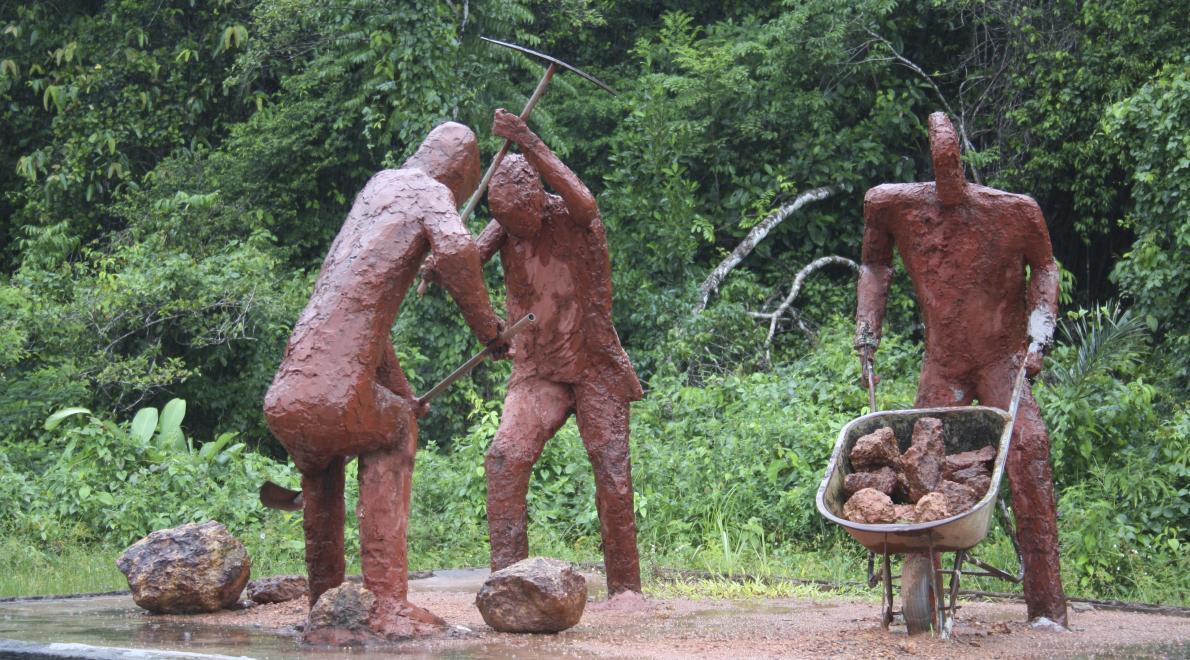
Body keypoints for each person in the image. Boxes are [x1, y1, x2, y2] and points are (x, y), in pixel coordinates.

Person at [263, 122, 508, 640]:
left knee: (325, 472)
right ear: (464, 170)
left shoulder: (378, 187)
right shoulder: (429, 192)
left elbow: (364, 322)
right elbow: (460, 253)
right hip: (334, 394)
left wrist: (401, 394)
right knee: (397, 435)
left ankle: (324, 606)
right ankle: (386, 604)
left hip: (287, 397)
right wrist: (490, 330)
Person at [855, 111, 1067, 627]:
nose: (947, 179)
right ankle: (918, 584)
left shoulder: (1014, 213)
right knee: (917, 465)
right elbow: (874, 263)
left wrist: (1040, 336)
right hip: (943, 362)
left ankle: (1047, 606)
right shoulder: (893, 206)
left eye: (953, 166)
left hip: (1002, 360)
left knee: (1029, 447)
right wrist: (867, 326)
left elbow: (1045, 266)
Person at [461, 108, 644, 601]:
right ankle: (509, 585)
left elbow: (585, 198)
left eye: (521, 218)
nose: (515, 230)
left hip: (593, 367)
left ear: (537, 201)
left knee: (611, 472)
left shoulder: (572, 217)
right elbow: (465, 268)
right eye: (505, 222)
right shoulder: (506, 229)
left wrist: (527, 140)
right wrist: (487, 326)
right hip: (538, 370)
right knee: (504, 458)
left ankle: (626, 590)